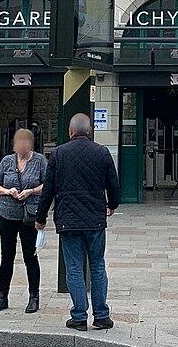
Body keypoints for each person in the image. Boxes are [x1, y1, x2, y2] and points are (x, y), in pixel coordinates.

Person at [36, 113, 120, 331]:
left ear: (70, 131)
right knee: (97, 266)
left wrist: (40, 217)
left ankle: (79, 316)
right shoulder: (102, 152)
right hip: (94, 219)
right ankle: (102, 316)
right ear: (89, 131)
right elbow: (113, 183)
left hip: (68, 220)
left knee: (74, 268)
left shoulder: (58, 154)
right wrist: (112, 204)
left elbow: (48, 189)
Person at [0, 128, 47, 314]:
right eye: (18, 141)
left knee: (30, 256)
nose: (22, 145)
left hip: (29, 214)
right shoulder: (7, 161)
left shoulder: (39, 161)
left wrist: (30, 191)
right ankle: (2, 296)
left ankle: (33, 297)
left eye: (25, 141)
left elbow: (48, 185)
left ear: (31, 143)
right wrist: (8, 191)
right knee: (7, 256)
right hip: (8, 213)